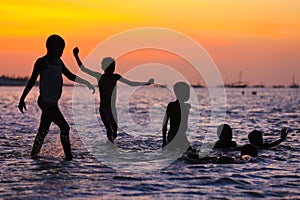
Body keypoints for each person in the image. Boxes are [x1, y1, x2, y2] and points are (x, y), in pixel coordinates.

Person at [18, 35, 95, 161]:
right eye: (60, 49)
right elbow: (32, 80)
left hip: (53, 102)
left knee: (43, 130)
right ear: (51, 47)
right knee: (65, 127)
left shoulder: (59, 62)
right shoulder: (42, 62)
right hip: (45, 102)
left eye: (63, 49)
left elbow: (69, 75)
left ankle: (34, 155)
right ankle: (69, 157)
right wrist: (22, 99)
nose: (62, 52)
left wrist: (85, 82)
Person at [73, 47, 154, 143]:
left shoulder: (116, 77)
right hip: (103, 108)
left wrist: (146, 83)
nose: (112, 69)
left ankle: (109, 145)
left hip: (112, 109)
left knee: (115, 131)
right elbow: (84, 69)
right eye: (110, 67)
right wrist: (76, 56)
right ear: (104, 67)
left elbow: (131, 83)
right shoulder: (100, 77)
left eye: (113, 67)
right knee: (108, 129)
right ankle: (110, 148)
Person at [162, 82, 191, 150]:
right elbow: (165, 124)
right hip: (173, 136)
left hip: (183, 136)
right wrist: (164, 141)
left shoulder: (187, 106)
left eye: (189, 92)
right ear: (178, 93)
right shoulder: (172, 106)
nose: (188, 94)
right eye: (186, 92)